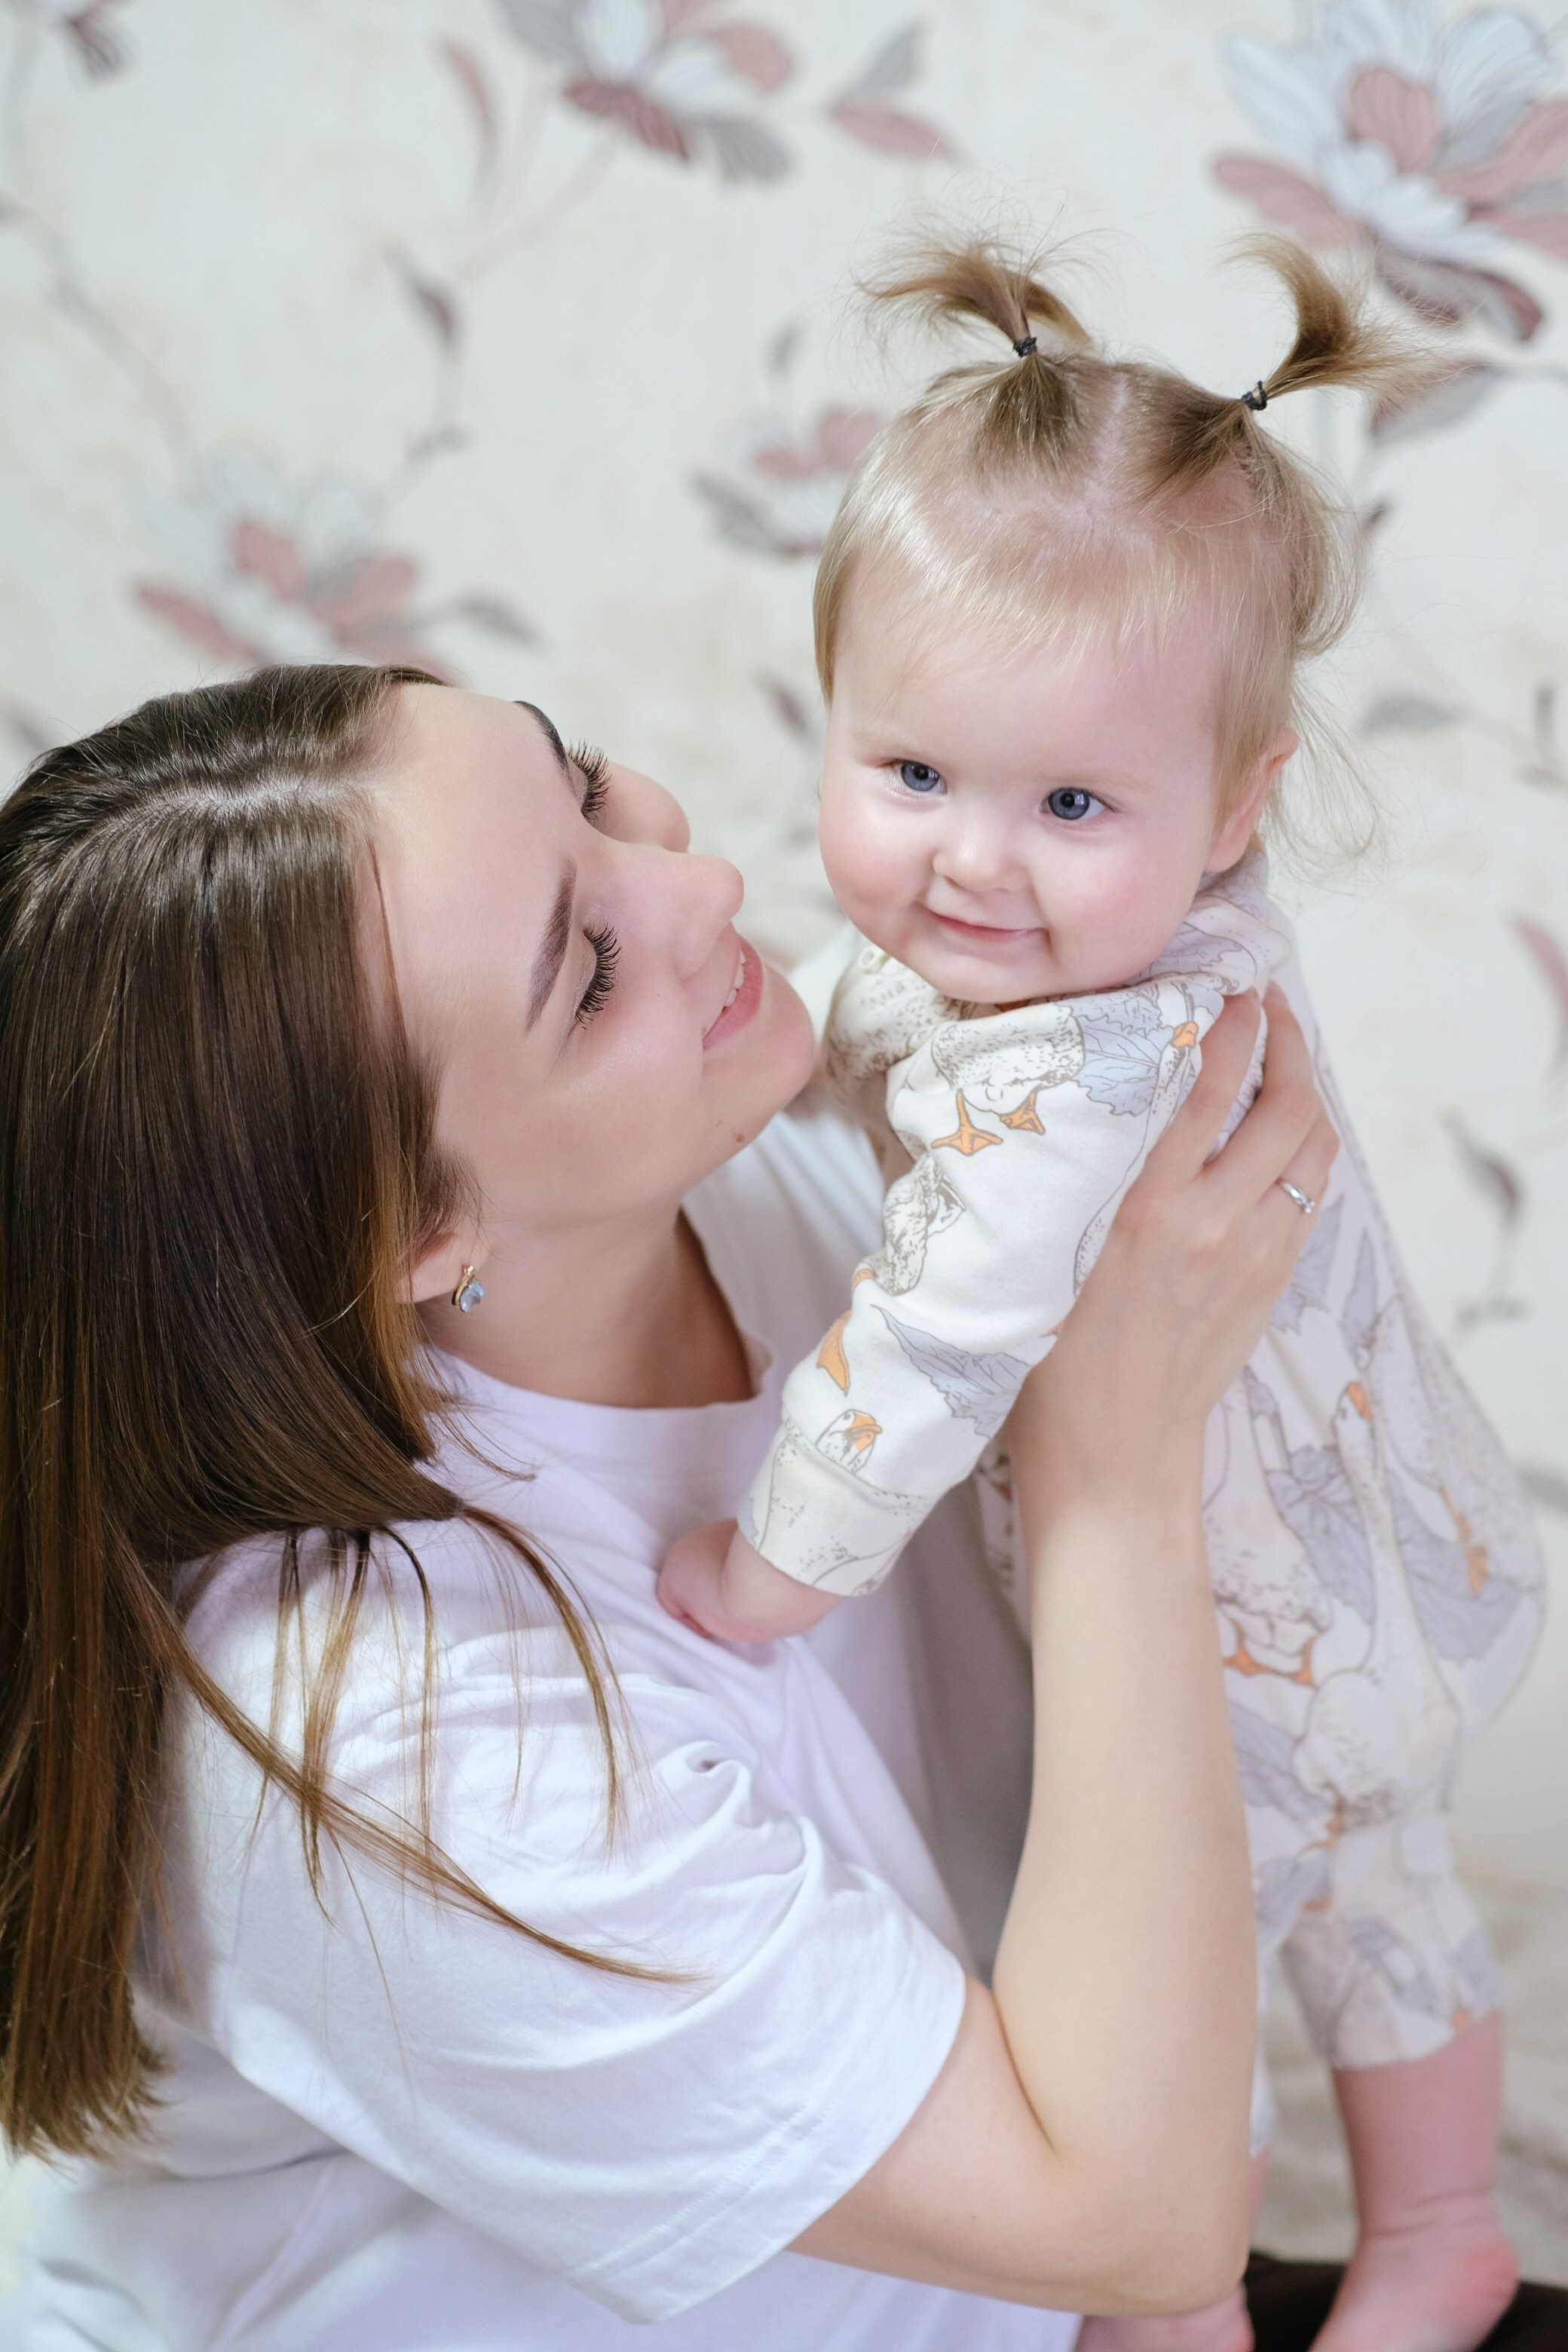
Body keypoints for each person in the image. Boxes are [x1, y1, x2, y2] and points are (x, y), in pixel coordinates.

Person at [0, 664, 1337, 2350]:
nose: (699, 885)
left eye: (587, 785)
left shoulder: (743, 1178)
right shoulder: (387, 1754)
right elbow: (1138, 2224)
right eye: (588, 971)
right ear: (419, 1237)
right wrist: (1111, 1469)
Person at [657, 238, 1545, 2352]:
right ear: (839, 719)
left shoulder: (1085, 1066)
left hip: (1232, 1630)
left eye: (1069, 804)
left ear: (1235, 807)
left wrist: (776, 1568)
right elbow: (888, 1029)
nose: (973, 864)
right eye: (912, 776)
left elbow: (939, 1344)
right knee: (1395, 1893)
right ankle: (1437, 2227)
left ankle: (1173, 2304)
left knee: (1170, 1953)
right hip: (1393, 1552)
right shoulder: (1142, 932)